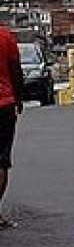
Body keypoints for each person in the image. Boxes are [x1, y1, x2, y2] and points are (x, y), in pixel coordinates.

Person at [0, 25, 24, 230]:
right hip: (3, 105)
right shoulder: (5, 36)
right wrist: (19, 99)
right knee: (1, 160)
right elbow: (16, 70)